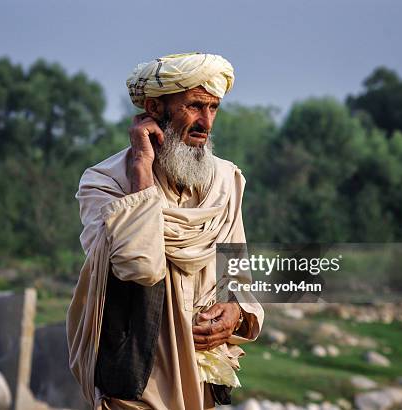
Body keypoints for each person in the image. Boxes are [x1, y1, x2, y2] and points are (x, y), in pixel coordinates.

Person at [66, 52, 264, 410]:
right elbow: (141, 266)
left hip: (200, 380)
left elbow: (235, 276)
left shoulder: (225, 180)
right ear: (155, 108)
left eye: (214, 108)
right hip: (136, 383)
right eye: (194, 106)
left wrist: (235, 311)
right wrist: (142, 168)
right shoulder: (106, 182)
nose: (206, 122)